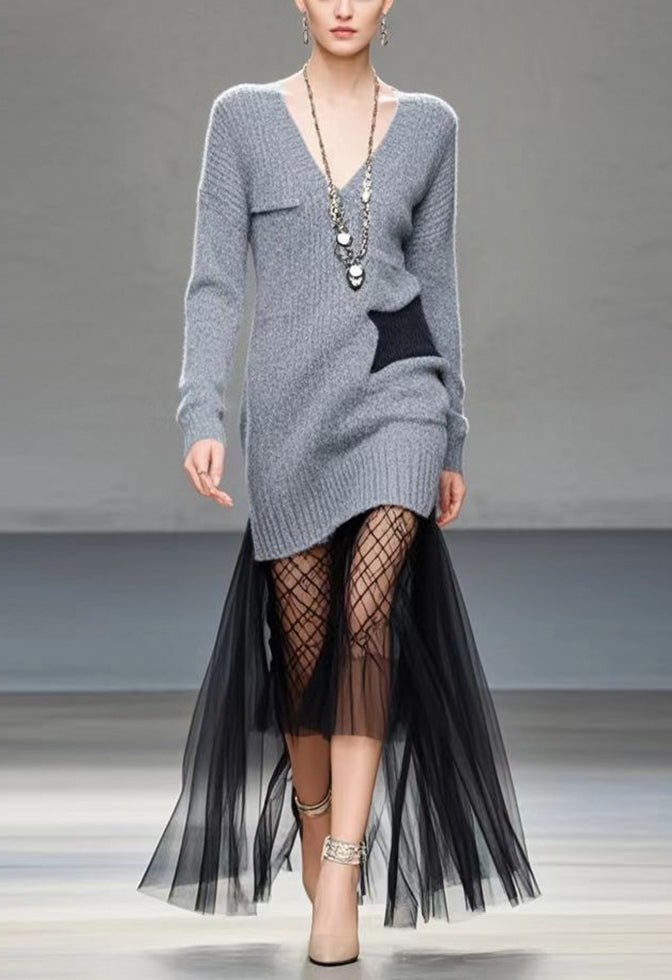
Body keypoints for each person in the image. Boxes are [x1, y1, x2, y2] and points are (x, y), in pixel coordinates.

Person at [137, 0, 541, 967]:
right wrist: (201, 411)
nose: (347, 4)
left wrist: (451, 432)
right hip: (288, 411)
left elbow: (436, 286)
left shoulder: (432, 126)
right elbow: (215, 282)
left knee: (369, 618)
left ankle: (345, 868)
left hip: (399, 393)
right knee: (304, 648)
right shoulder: (242, 118)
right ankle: (318, 828)